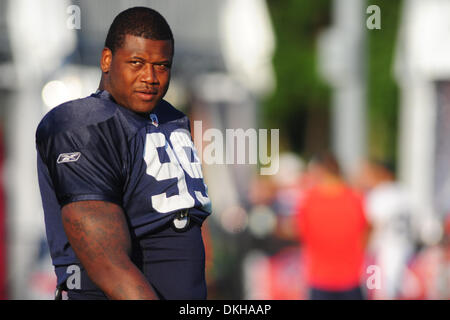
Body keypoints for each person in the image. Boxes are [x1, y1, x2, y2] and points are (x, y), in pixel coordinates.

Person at [35, 7, 211, 300]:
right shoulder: (82, 124)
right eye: (137, 62)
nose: (150, 77)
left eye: (162, 65)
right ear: (107, 60)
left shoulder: (171, 118)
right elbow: (109, 262)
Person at [295, 152, 369, 300]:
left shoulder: (308, 201)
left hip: (320, 278)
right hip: (351, 278)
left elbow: (302, 234)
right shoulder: (356, 198)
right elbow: (365, 233)